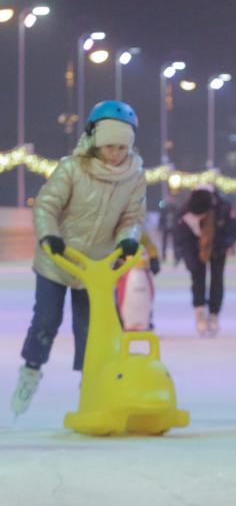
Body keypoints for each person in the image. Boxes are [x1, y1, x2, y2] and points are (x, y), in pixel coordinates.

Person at [10, 100, 146, 417]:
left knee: (92, 330)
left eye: (121, 147)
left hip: (96, 268)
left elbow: (133, 216)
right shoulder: (72, 167)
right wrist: (49, 236)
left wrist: (128, 240)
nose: (115, 154)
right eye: (109, 146)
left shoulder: (134, 175)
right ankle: (30, 372)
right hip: (57, 260)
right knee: (46, 320)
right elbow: (46, 206)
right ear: (95, 141)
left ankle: (92, 389)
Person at [173, 184, 236, 337]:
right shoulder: (185, 212)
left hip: (218, 247)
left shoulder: (224, 208)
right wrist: (190, 262)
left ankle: (214, 314)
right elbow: (182, 239)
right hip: (195, 248)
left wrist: (221, 245)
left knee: (217, 279)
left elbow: (233, 230)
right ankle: (200, 311)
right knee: (197, 277)